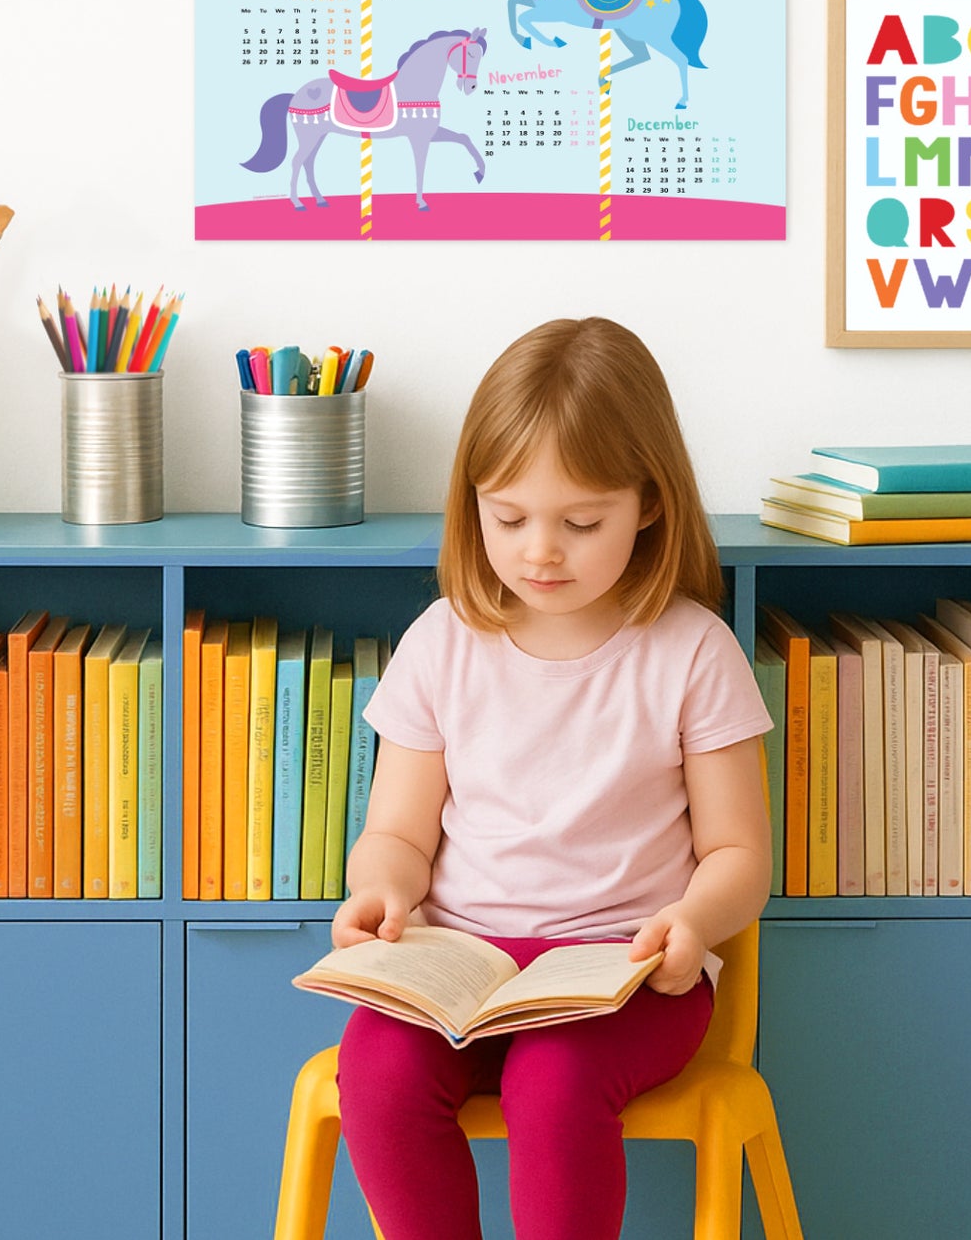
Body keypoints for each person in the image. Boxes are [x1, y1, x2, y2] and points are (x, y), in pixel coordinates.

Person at [331, 316, 773, 1240]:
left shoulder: (693, 651)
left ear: (647, 503)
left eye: (580, 522)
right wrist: (379, 890)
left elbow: (738, 852)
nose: (540, 550)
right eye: (508, 518)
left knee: (553, 1081)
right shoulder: (441, 643)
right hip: (463, 968)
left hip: (625, 977)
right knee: (376, 1070)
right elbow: (399, 833)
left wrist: (691, 924)